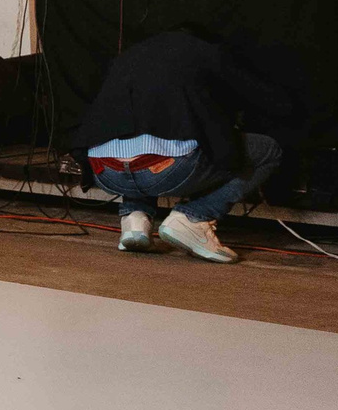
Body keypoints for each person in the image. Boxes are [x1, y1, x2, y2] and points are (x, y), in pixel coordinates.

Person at [81, 28, 296, 264]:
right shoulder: (204, 51)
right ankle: (195, 218)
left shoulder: (130, 55)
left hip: (105, 172)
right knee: (267, 150)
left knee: (137, 133)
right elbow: (257, 96)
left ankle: (135, 219)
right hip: (167, 171)